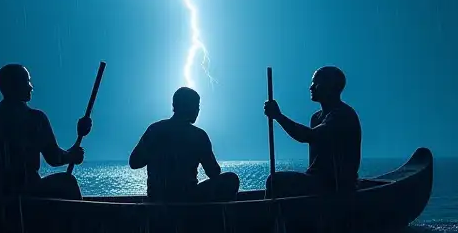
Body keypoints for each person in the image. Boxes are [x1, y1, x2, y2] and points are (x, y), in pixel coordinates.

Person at [0, 64, 91, 199]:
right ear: (14, 85)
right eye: (27, 81)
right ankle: (81, 219)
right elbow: (54, 158)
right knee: (67, 182)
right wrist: (72, 155)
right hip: (26, 194)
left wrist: (72, 152)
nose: (31, 87)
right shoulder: (35, 118)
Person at [263, 66, 361, 198]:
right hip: (315, 180)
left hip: (336, 186)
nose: (311, 87)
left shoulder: (343, 115)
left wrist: (279, 116)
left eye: (316, 83)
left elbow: (309, 136)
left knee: (274, 181)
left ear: (330, 86)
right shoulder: (316, 118)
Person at [129, 87, 240, 201]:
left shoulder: (154, 129)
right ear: (188, 107)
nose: (198, 110)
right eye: (196, 106)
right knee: (231, 179)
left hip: (156, 199)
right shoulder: (199, 136)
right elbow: (214, 172)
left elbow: (134, 162)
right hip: (188, 199)